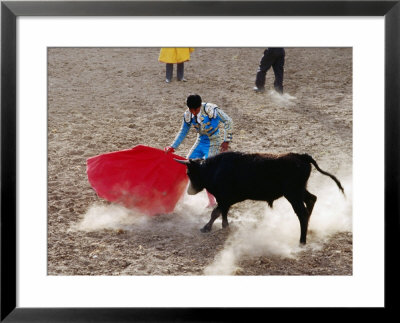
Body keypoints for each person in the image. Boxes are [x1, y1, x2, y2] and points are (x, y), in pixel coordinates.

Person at [164, 94, 233, 207]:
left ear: (199, 106)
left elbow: (228, 121)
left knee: (208, 170)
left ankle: (212, 201)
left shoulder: (211, 109)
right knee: (188, 164)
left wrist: (226, 140)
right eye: (191, 110)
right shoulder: (187, 114)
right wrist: (173, 146)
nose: (193, 112)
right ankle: (181, 197)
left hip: (214, 141)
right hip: (200, 141)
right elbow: (183, 131)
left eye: (195, 110)